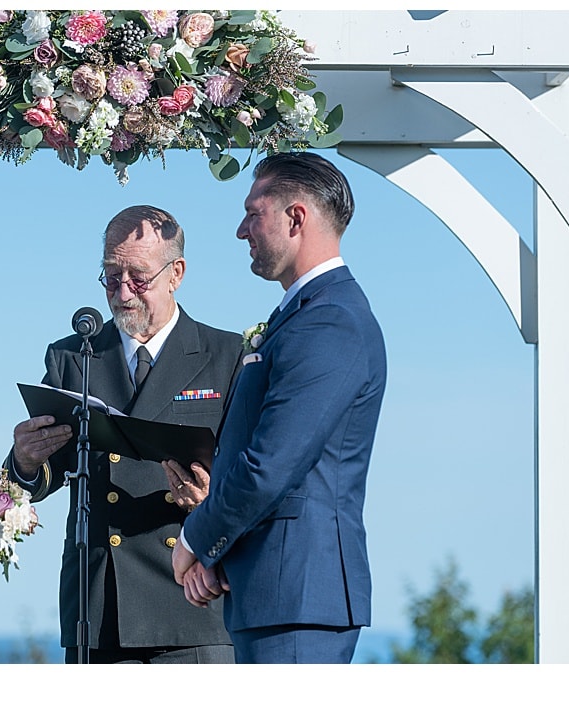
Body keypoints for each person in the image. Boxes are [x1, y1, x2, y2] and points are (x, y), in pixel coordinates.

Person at [165, 153, 387, 664]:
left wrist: (196, 540)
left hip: (298, 596)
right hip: (273, 591)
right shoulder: (303, 316)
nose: (241, 230)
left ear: (296, 218)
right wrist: (221, 551)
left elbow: (270, 466)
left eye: (253, 212)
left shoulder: (331, 322)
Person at [6, 205, 244, 663]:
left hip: (192, 603)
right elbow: (40, 475)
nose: (122, 291)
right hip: (100, 607)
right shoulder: (73, 356)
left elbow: (253, 473)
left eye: (138, 277)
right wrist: (25, 461)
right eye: (111, 276)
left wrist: (212, 500)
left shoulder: (226, 353)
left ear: (176, 273)